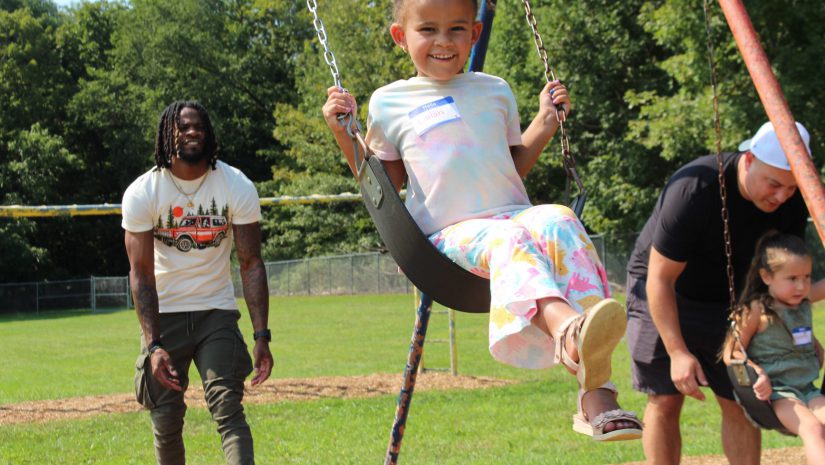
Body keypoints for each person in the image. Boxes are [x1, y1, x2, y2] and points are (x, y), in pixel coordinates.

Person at [322, 0, 642, 441]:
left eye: (456, 29)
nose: (443, 41)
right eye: (428, 29)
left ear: (475, 33)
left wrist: (545, 123)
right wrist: (344, 132)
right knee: (508, 236)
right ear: (402, 36)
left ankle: (596, 396)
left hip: (511, 215)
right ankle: (569, 330)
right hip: (445, 239)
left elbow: (510, 166)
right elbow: (383, 184)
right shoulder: (389, 102)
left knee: (560, 218)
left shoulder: (495, 89)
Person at [626, 120, 815, 465]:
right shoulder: (695, 188)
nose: (781, 196)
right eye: (774, 183)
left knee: (739, 399)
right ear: (748, 160)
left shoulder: (793, 200)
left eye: (790, 188)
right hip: (663, 290)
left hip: (731, 303)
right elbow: (659, 279)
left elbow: (780, 279)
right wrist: (678, 352)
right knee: (666, 397)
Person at [122, 101, 273, 465]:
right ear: (167, 134)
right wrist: (153, 344)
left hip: (215, 313)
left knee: (228, 409)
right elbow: (141, 273)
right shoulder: (143, 191)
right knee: (166, 419)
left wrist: (261, 337)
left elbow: (251, 263)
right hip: (166, 315)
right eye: (183, 126)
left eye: (199, 127)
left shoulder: (236, 185)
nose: (192, 132)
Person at [722, 232, 825, 465]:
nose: (801, 285)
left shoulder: (803, 299)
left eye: (807, 277)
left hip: (808, 388)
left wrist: (814, 345)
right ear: (767, 276)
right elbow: (731, 353)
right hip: (779, 394)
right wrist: (757, 372)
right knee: (813, 430)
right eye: (792, 278)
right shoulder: (756, 310)